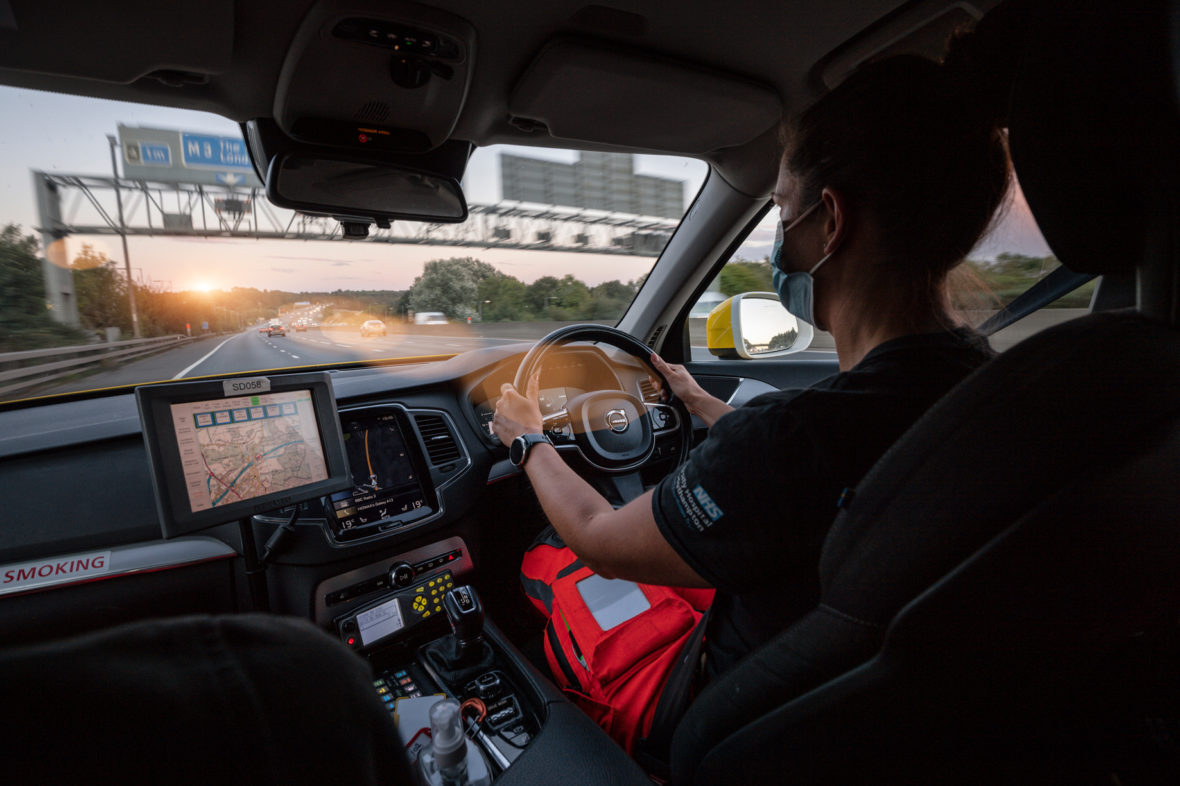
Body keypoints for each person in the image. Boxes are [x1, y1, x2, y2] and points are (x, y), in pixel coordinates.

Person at [493, 40, 1011, 749]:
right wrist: (702, 404)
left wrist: (526, 438)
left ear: (830, 220)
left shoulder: (789, 443)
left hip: (736, 722)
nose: (778, 238)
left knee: (556, 562)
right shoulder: (982, 385)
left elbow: (602, 540)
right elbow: (841, 476)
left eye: (781, 209)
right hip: (879, 719)